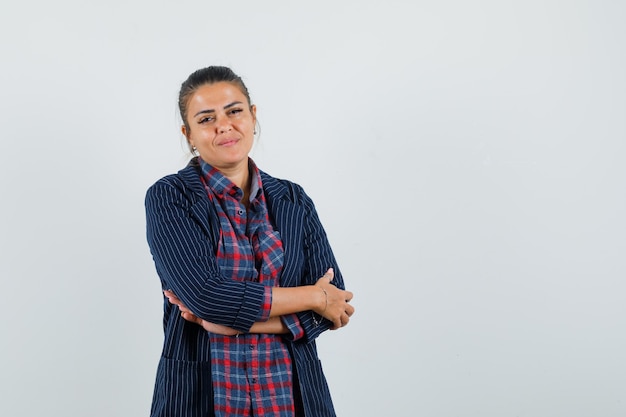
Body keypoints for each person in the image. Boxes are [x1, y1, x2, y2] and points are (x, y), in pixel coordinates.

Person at [145, 66, 355, 417]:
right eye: (206, 118)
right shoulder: (170, 197)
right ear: (189, 134)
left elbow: (337, 306)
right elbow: (207, 297)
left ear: (253, 115)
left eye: (234, 111)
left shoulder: (293, 199)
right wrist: (312, 296)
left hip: (293, 398)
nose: (224, 125)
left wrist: (224, 323)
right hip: (202, 398)